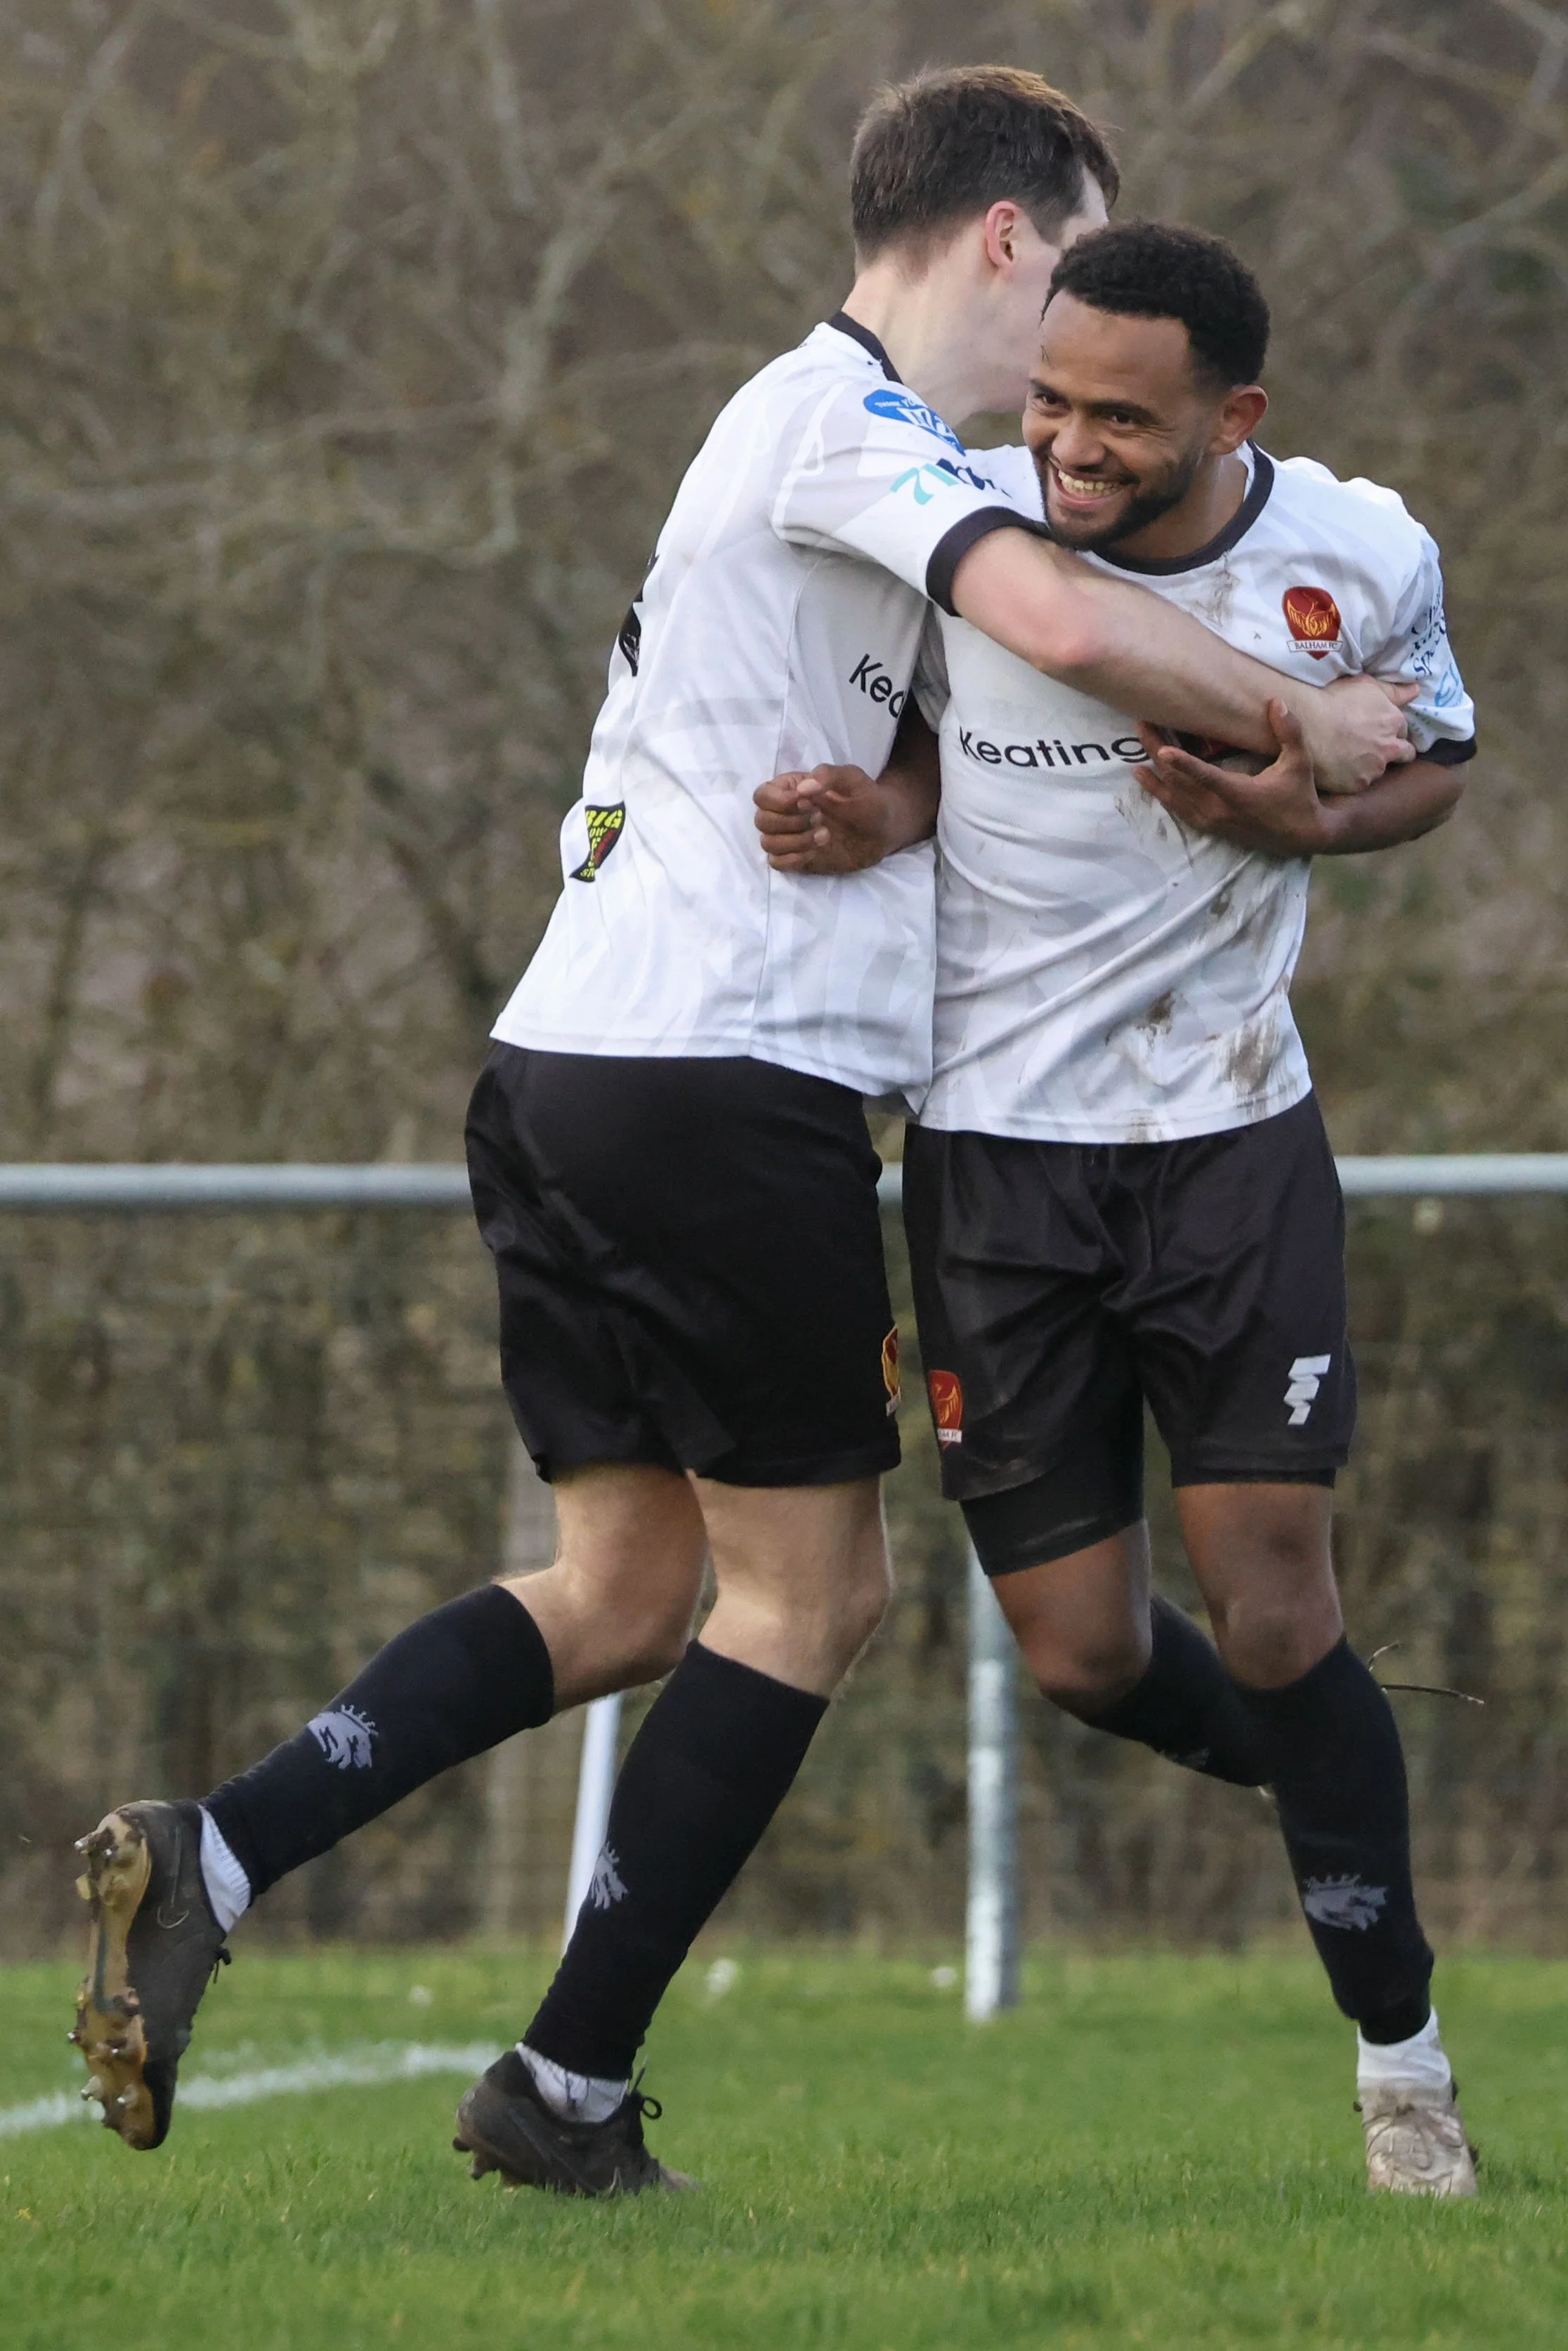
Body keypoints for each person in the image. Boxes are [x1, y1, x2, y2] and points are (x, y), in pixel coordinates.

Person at [70, 77, 1411, 2193]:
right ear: (1004, 238)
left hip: (572, 1064)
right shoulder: (847, 423)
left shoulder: (828, 435)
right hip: (722, 1080)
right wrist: (1300, 712)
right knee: (809, 1599)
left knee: (619, 1593)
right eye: (1072, 268)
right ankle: (566, 2094)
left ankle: (218, 1851)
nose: (1076, 343)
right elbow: (1067, 624)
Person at [755, 220, 1477, 2198]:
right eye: (1052, 400)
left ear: (1235, 417)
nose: (1067, 446)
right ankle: (1337, 1782)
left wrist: (1308, 817)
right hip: (996, 1161)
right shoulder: (969, 532)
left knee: (1275, 1604)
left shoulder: (1359, 553)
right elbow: (929, 753)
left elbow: (1437, 764)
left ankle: (1404, 2075)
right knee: (1080, 1655)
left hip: (1231, 1133)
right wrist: (873, 814)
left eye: (1121, 422)